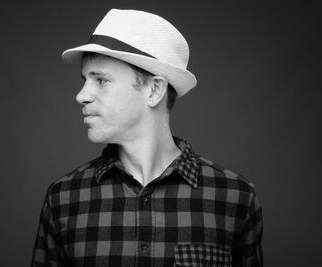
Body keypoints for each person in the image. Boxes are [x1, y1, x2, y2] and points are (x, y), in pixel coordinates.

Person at [31, 9, 263, 267]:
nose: (82, 95)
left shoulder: (234, 198)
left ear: (154, 90)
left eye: (101, 80)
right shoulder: (64, 198)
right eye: (85, 80)